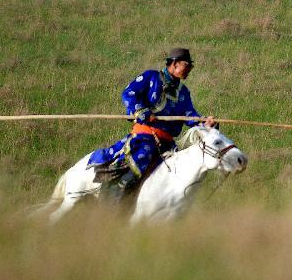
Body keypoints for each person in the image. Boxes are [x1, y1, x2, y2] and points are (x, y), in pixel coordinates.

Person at [87, 48, 216, 202]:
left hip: (168, 143)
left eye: (190, 67)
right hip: (145, 136)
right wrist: (140, 110)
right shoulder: (151, 77)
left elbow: (189, 114)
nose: (189, 70)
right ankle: (113, 197)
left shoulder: (183, 92)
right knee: (140, 160)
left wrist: (203, 122)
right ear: (174, 64)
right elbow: (129, 93)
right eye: (187, 66)